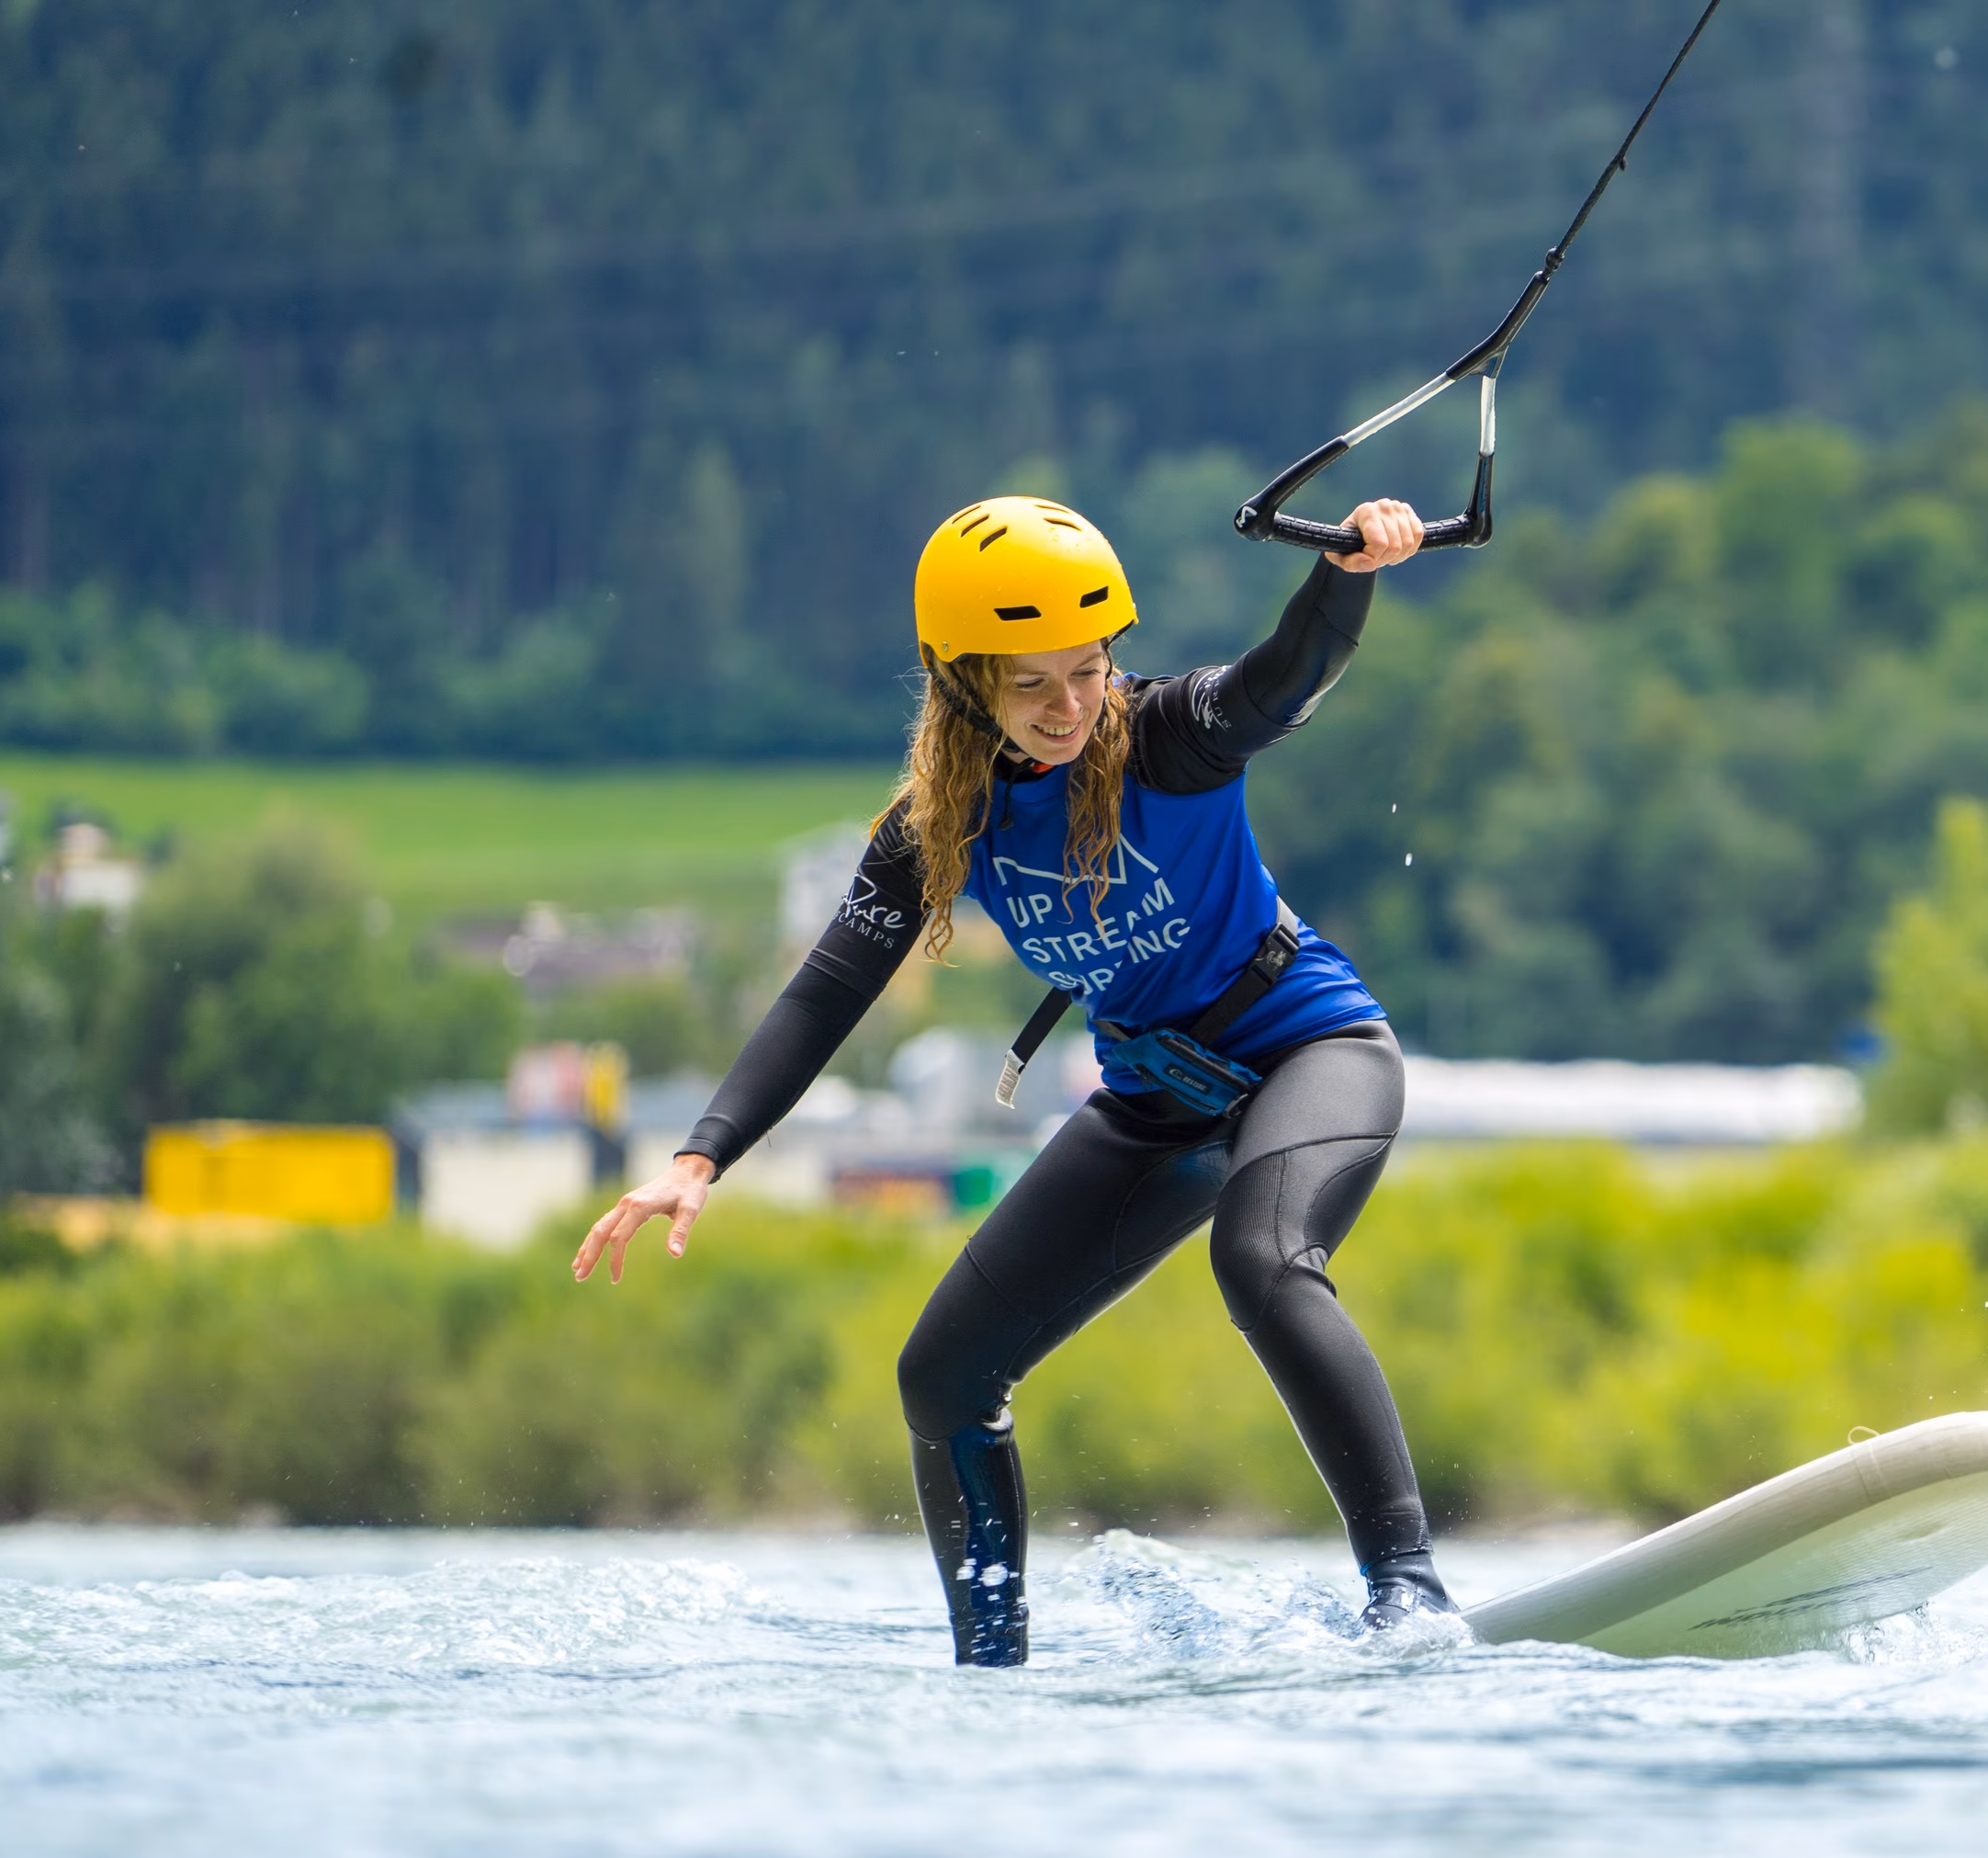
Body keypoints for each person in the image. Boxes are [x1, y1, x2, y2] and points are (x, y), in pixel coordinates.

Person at [572, 493, 1455, 1665]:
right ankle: (991, 1663)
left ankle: (1408, 1586)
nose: (1069, 707)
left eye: (1087, 671)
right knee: (942, 1376)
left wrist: (1349, 573)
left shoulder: (1169, 734)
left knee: (1261, 1260)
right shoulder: (936, 822)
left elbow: (1285, 674)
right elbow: (826, 992)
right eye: (1030, 683)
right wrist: (699, 1157)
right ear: (962, 684)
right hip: (1157, 1099)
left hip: (1310, 1050)